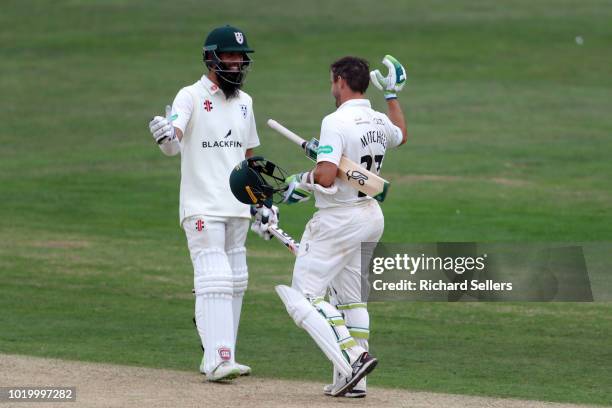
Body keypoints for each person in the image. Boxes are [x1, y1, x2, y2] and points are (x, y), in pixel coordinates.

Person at [276, 55, 407, 397]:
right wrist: (392, 95)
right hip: (369, 215)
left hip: (338, 219)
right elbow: (401, 136)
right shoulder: (378, 119)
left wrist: (301, 180)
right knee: (351, 301)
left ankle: (353, 357)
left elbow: (326, 176)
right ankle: (353, 383)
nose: (331, 87)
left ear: (341, 81)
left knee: (303, 296)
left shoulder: (335, 121)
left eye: (332, 81)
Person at [147, 25, 260, 382]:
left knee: (236, 279)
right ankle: (216, 360)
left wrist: (259, 202)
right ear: (211, 58)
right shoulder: (190, 96)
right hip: (202, 205)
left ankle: (223, 355)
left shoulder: (246, 102)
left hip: (237, 206)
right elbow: (173, 140)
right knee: (215, 277)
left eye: (241, 57)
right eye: (230, 56)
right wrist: (165, 137)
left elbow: (248, 156)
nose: (237, 63)